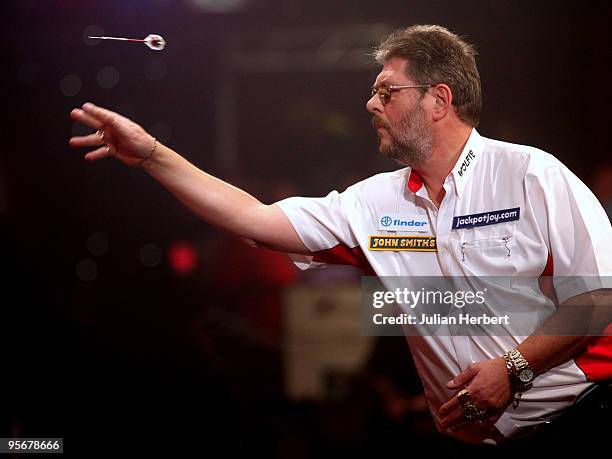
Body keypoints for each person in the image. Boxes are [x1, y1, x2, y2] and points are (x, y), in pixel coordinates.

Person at [69, 25, 611, 447]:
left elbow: (600, 298)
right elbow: (256, 221)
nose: (371, 104)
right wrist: (154, 157)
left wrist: (511, 371)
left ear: (439, 100)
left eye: (386, 91)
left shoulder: (531, 174)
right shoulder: (375, 204)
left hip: (583, 423)